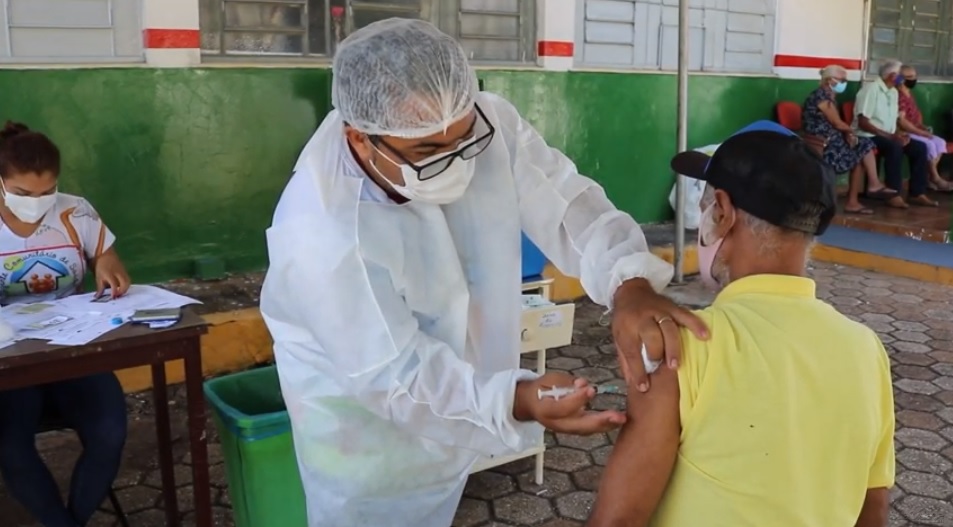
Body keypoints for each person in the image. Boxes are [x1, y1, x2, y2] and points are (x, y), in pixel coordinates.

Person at [259, 18, 708, 527]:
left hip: (452, 405)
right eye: (427, 152)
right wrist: (517, 399)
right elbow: (394, 377)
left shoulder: (486, 123)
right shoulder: (321, 233)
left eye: (464, 141)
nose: (455, 163)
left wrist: (628, 282)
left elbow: (564, 202)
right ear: (360, 139)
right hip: (366, 441)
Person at [587, 121, 895, 527]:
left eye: (704, 205)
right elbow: (872, 510)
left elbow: (618, 521)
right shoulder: (867, 349)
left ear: (722, 211)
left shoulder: (680, 346)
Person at [0, 121, 131, 527]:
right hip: (10, 360)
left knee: (109, 431)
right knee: (9, 446)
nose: (37, 203)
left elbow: (107, 257)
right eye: (23, 194)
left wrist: (106, 264)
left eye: (46, 192)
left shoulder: (76, 211)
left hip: (73, 347)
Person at [802, 65, 901, 214]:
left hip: (832, 140)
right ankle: (869, 188)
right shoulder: (821, 97)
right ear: (830, 80)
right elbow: (837, 123)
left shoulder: (828, 97)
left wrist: (848, 134)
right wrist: (850, 132)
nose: (844, 83)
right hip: (823, 143)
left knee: (862, 147)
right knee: (862, 148)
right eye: (842, 80)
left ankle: (863, 193)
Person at [853, 59, 937, 207]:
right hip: (867, 134)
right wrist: (890, 136)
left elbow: (893, 119)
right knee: (894, 147)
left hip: (888, 134)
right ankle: (894, 194)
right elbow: (863, 123)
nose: (904, 79)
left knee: (919, 148)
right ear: (893, 76)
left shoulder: (893, 92)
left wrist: (899, 134)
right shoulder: (871, 89)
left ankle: (917, 193)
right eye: (901, 76)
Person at [896, 64, 953, 192]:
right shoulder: (899, 96)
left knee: (940, 142)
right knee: (929, 145)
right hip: (905, 132)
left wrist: (923, 128)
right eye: (910, 76)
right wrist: (920, 132)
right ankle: (935, 177)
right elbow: (902, 122)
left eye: (914, 76)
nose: (913, 79)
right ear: (901, 78)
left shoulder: (909, 94)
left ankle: (928, 177)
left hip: (916, 130)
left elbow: (916, 117)